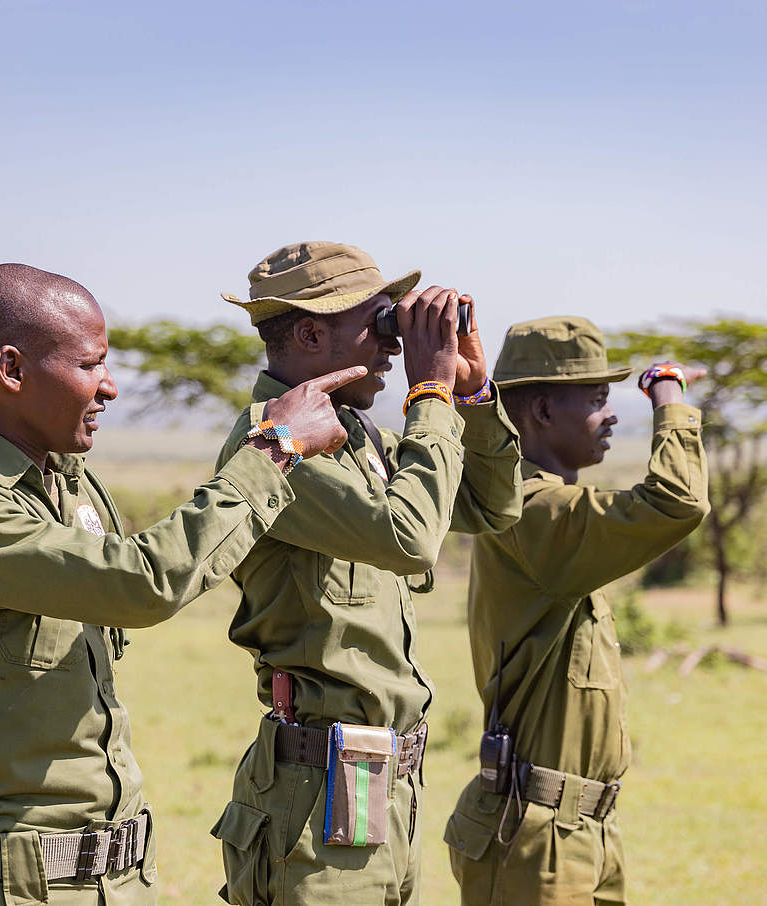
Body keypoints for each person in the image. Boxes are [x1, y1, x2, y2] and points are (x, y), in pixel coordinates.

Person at [0, 263, 368, 905]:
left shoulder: (69, 488)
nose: (111, 388)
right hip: (4, 887)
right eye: (89, 365)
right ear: (12, 371)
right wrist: (276, 449)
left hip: (108, 879)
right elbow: (143, 584)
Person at [210, 241, 523, 906]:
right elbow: (411, 540)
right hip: (317, 794)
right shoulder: (274, 444)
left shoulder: (358, 442)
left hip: (383, 786)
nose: (393, 347)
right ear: (311, 332)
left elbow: (493, 507)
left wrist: (470, 393)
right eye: (381, 326)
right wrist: (429, 391)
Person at [443, 316, 709, 906]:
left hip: (580, 826)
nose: (611, 414)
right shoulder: (535, 513)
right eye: (594, 400)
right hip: (534, 833)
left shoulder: (550, 512)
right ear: (540, 411)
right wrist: (669, 396)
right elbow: (678, 502)